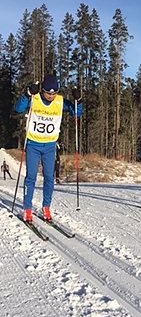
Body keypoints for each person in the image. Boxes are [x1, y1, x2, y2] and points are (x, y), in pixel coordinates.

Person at [14, 75, 82, 223]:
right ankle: (27, 209)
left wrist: (79, 100)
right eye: (48, 93)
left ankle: (46, 207)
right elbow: (18, 108)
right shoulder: (35, 98)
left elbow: (77, 112)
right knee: (31, 177)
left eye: (54, 93)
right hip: (33, 144)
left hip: (50, 146)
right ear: (42, 90)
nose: (51, 96)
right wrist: (27, 94)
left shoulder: (59, 101)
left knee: (49, 178)